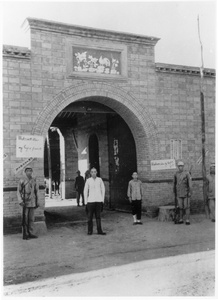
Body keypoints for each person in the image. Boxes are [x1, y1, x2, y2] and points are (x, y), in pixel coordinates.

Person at [17, 167, 39, 240]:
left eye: (30, 171)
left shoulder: (34, 180)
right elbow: (18, 192)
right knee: (25, 219)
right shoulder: (22, 180)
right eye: (27, 171)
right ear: (25, 172)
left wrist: (37, 201)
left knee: (31, 218)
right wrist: (20, 201)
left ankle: (31, 233)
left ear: (32, 172)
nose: (29, 172)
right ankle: (25, 234)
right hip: (25, 201)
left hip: (32, 201)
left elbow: (37, 191)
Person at [84, 167, 106, 235]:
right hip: (90, 201)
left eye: (95, 172)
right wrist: (86, 202)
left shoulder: (99, 180)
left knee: (98, 217)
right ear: (90, 173)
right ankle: (90, 231)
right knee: (89, 217)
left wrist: (102, 200)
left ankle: (99, 231)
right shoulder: (88, 180)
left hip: (98, 201)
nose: (93, 173)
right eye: (92, 172)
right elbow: (85, 191)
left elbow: (103, 189)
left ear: (97, 172)